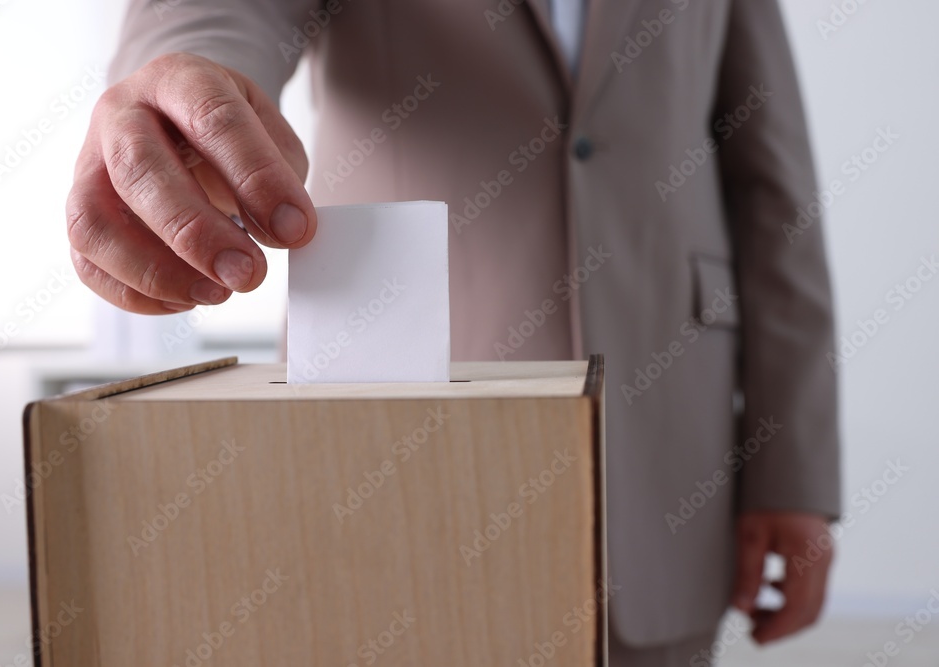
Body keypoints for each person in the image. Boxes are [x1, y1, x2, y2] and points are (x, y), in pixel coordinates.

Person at [66, 0, 840, 663]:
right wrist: (179, 75)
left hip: (670, 441)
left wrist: (792, 471)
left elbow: (776, 193)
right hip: (397, 438)